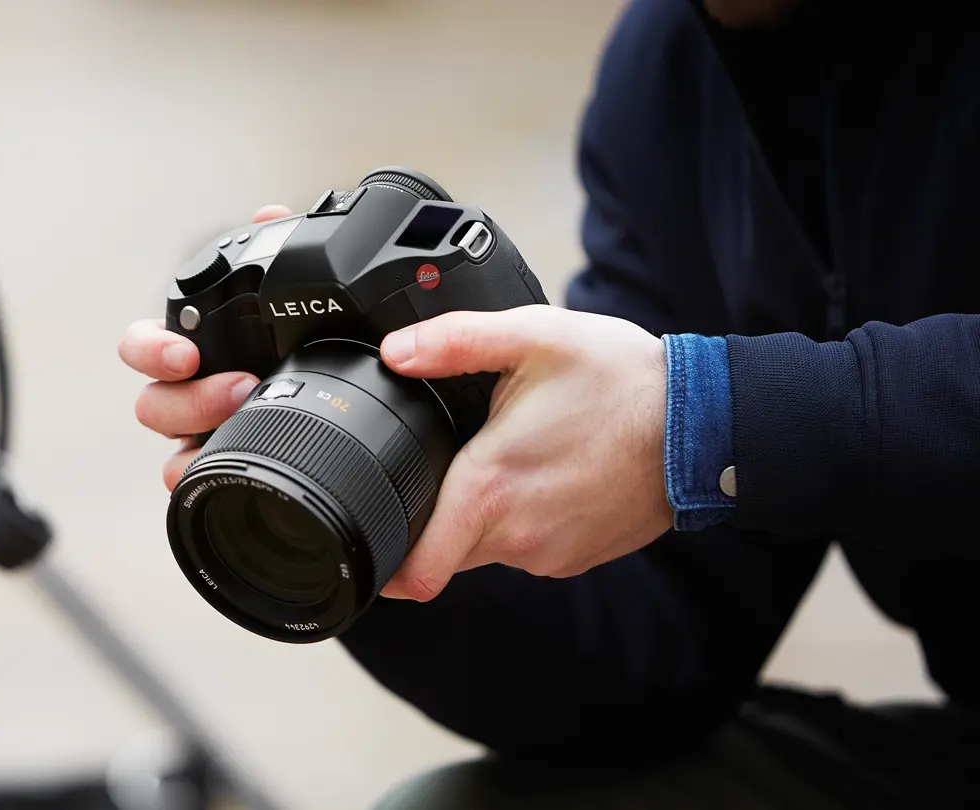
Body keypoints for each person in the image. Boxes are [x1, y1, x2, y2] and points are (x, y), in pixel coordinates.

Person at [118, 0, 980, 806]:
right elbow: (657, 660)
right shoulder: (669, 65)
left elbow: (687, 422)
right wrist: (408, 502)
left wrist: (707, 416)